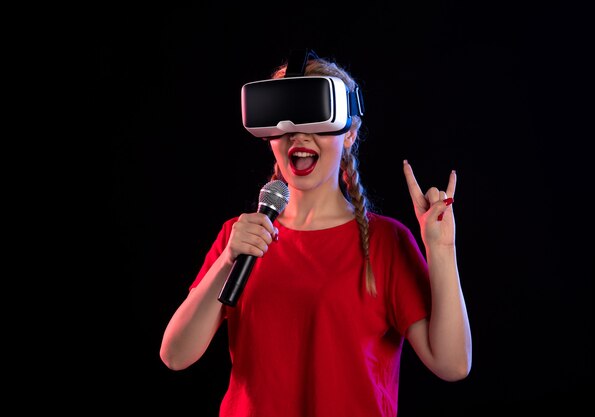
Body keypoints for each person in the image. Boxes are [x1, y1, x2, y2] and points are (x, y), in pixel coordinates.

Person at [160, 50, 472, 417]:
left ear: (350, 134)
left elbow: (451, 365)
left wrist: (441, 249)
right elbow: (175, 355)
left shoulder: (385, 243)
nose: (298, 136)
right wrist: (228, 259)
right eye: (285, 124)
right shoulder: (240, 237)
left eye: (315, 121)